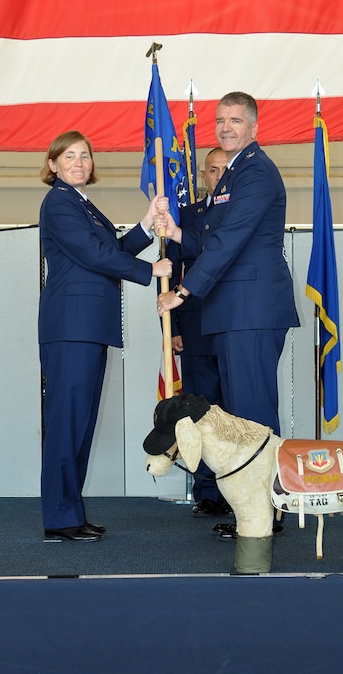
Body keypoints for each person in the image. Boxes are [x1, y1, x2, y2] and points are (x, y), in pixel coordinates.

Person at [156, 92, 300, 537]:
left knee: (253, 415)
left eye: (235, 120)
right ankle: (252, 513)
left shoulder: (255, 171)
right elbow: (212, 239)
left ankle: (268, 514)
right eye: (221, 120)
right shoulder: (233, 173)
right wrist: (176, 231)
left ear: (254, 127)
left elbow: (230, 242)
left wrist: (183, 290)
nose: (225, 127)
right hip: (234, 312)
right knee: (241, 416)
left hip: (250, 310)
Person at [39, 130, 171, 541]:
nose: (79, 163)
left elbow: (110, 248)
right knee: (67, 423)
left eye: (85, 156)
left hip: (87, 327)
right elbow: (94, 255)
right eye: (70, 157)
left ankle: (70, 512)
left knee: (79, 423)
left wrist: (148, 224)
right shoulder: (60, 204)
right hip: (71, 328)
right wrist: (151, 271)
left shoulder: (81, 204)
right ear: (53, 165)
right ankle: (61, 517)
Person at [168, 148, 231, 517]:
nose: (219, 176)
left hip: (232, 326)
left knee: (234, 412)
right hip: (193, 327)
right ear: (202, 176)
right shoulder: (187, 217)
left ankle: (237, 486)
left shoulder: (241, 212)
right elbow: (171, 272)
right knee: (199, 412)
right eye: (212, 170)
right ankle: (206, 489)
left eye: (226, 170)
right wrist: (174, 327)